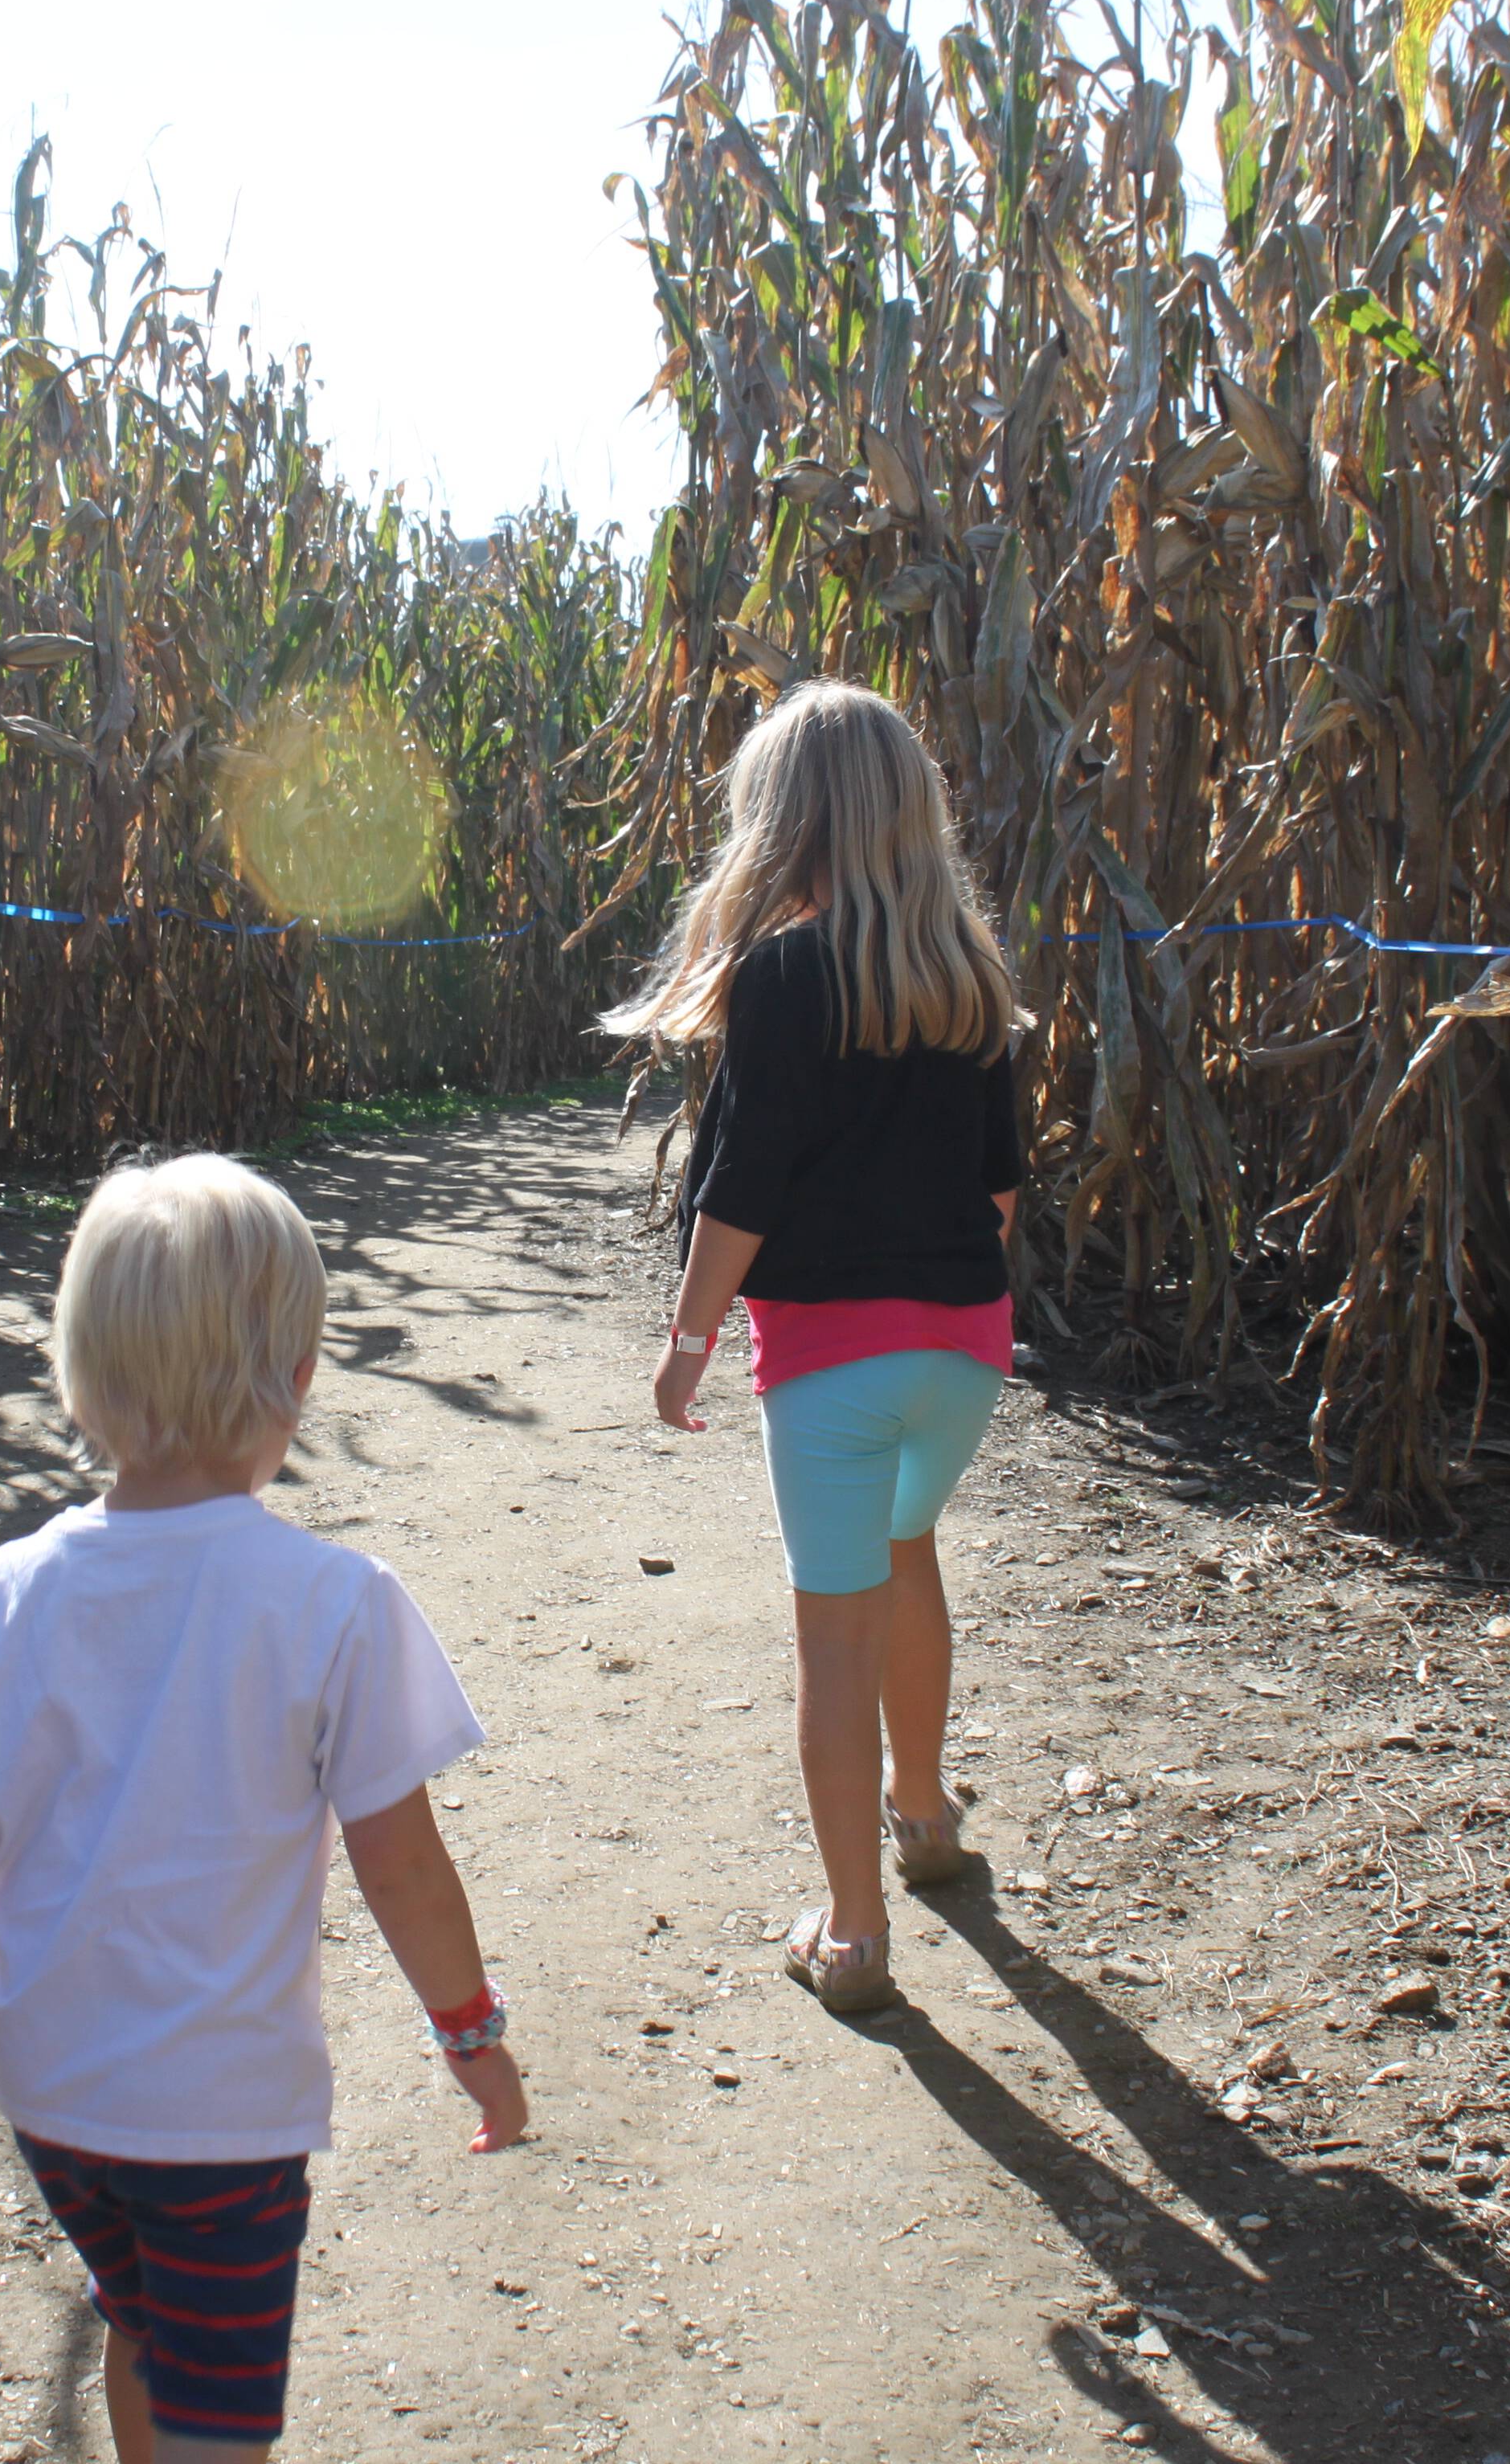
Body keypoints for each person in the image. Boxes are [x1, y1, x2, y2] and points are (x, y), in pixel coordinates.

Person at [0, 1153, 527, 2463]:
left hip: (51, 2090)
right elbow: (402, 1862)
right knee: (219, 2408)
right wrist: (470, 2030)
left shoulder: (7, 1592)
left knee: (139, 2319)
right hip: (218, 2114)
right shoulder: (333, 1603)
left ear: (82, 1372)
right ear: (297, 1381)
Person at [605, 679, 1025, 2017]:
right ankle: (927, 1819)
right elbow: (1001, 1190)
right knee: (912, 1556)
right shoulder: (972, 982)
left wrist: (688, 1338)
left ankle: (852, 1934)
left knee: (830, 1636)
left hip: (833, 1367)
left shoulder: (784, 976)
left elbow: (745, 1183)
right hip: (965, 1356)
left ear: (784, 823)